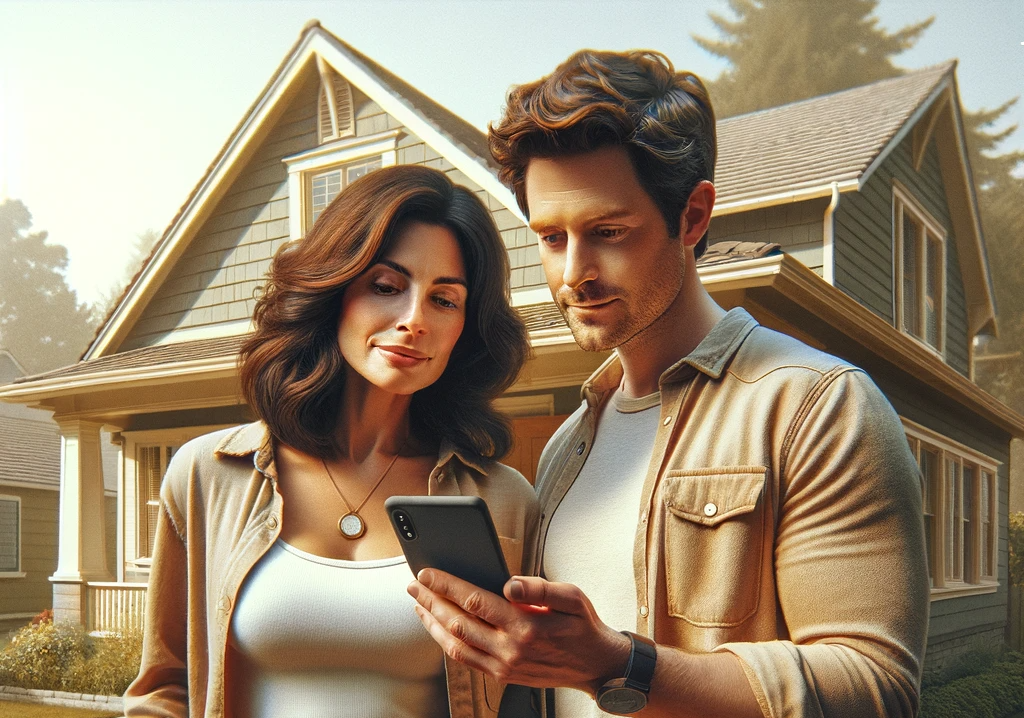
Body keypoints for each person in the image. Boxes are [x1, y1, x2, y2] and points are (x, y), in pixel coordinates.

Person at [407, 50, 930, 718]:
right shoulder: (568, 447)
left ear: (693, 215)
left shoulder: (815, 407)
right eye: (551, 236)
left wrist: (623, 668)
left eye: (607, 231)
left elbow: (876, 689)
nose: (575, 273)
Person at [125, 164, 539, 718]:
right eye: (387, 287)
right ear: (334, 293)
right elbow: (163, 691)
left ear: (465, 327)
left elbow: (522, 699)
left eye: (445, 300)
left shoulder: (504, 503)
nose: (413, 319)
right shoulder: (207, 474)